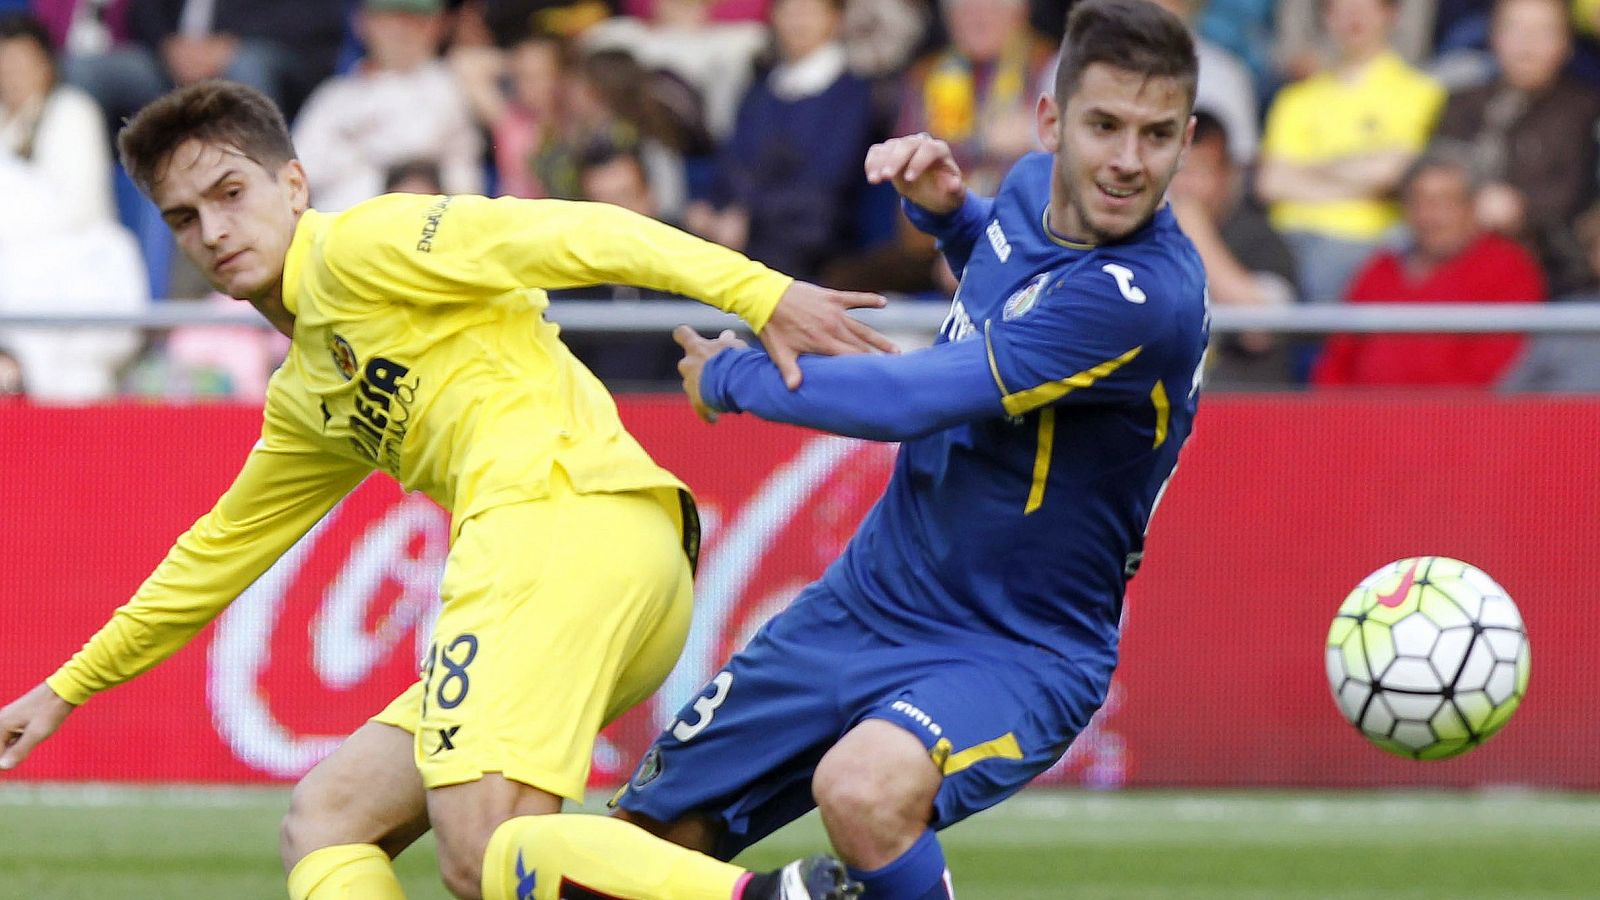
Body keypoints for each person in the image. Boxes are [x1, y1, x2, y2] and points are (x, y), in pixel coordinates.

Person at [0, 79, 892, 900]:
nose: (214, 230)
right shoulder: (308, 390)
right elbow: (217, 552)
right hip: (616, 562)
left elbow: (580, 235)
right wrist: (68, 688)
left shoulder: (368, 243)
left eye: (231, 194)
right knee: (331, 818)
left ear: (295, 186)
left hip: (553, 529)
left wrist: (757, 291)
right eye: (185, 218)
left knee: (482, 849)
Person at [612, 3, 1209, 898]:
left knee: (862, 791)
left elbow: (910, 399)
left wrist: (737, 378)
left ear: (1187, 139)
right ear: (1052, 121)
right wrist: (951, 216)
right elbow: (1007, 272)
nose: (1128, 160)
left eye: (1157, 135)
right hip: (867, 599)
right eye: (1106, 126)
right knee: (639, 846)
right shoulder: (1024, 190)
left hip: (1014, 647)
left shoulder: (1144, 297)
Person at [1311, 142, 1546, 387]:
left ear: (1472, 206)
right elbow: (1338, 359)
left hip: (1456, 418)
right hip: (1358, 417)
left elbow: (1495, 367)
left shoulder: (1507, 267)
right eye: (1419, 201)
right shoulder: (1382, 267)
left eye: (1445, 201)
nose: (1430, 216)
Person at [1431, 0, 1600, 296]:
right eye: (1515, 29)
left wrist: (1518, 207)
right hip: (1457, 262)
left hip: (1554, 270)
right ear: (1493, 36)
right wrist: (1473, 204)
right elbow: (1434, 172)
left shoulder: (1585, 109)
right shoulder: (1460, 103)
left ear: (1566, 42)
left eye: (1543, 31)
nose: (1527, 44)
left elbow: (1576, 189)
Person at [291, 0, 483, 213]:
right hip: (344, 226)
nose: (401, 31)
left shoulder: (450, 84)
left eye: (414, 20)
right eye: (390, 19)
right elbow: (304, 170)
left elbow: (419, 145)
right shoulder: (334, 96)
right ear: (363, 23)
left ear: (437, 25)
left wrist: (357, 140)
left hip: (427, 227)